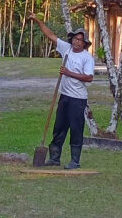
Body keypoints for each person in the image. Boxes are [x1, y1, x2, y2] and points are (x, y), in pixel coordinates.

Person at [29, 14, 94, 169]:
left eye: (80, 40)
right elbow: (50, 35)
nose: (76, 42)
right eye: (75, 39)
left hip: (78, 99)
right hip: (64, 96)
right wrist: (37, 20)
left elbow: (89, 77)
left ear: (84, 43)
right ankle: (54, 158)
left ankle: (75, 161)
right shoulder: (67, 49)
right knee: (59, 127)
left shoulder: (87, 58)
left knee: (76, 129)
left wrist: (68, 72)